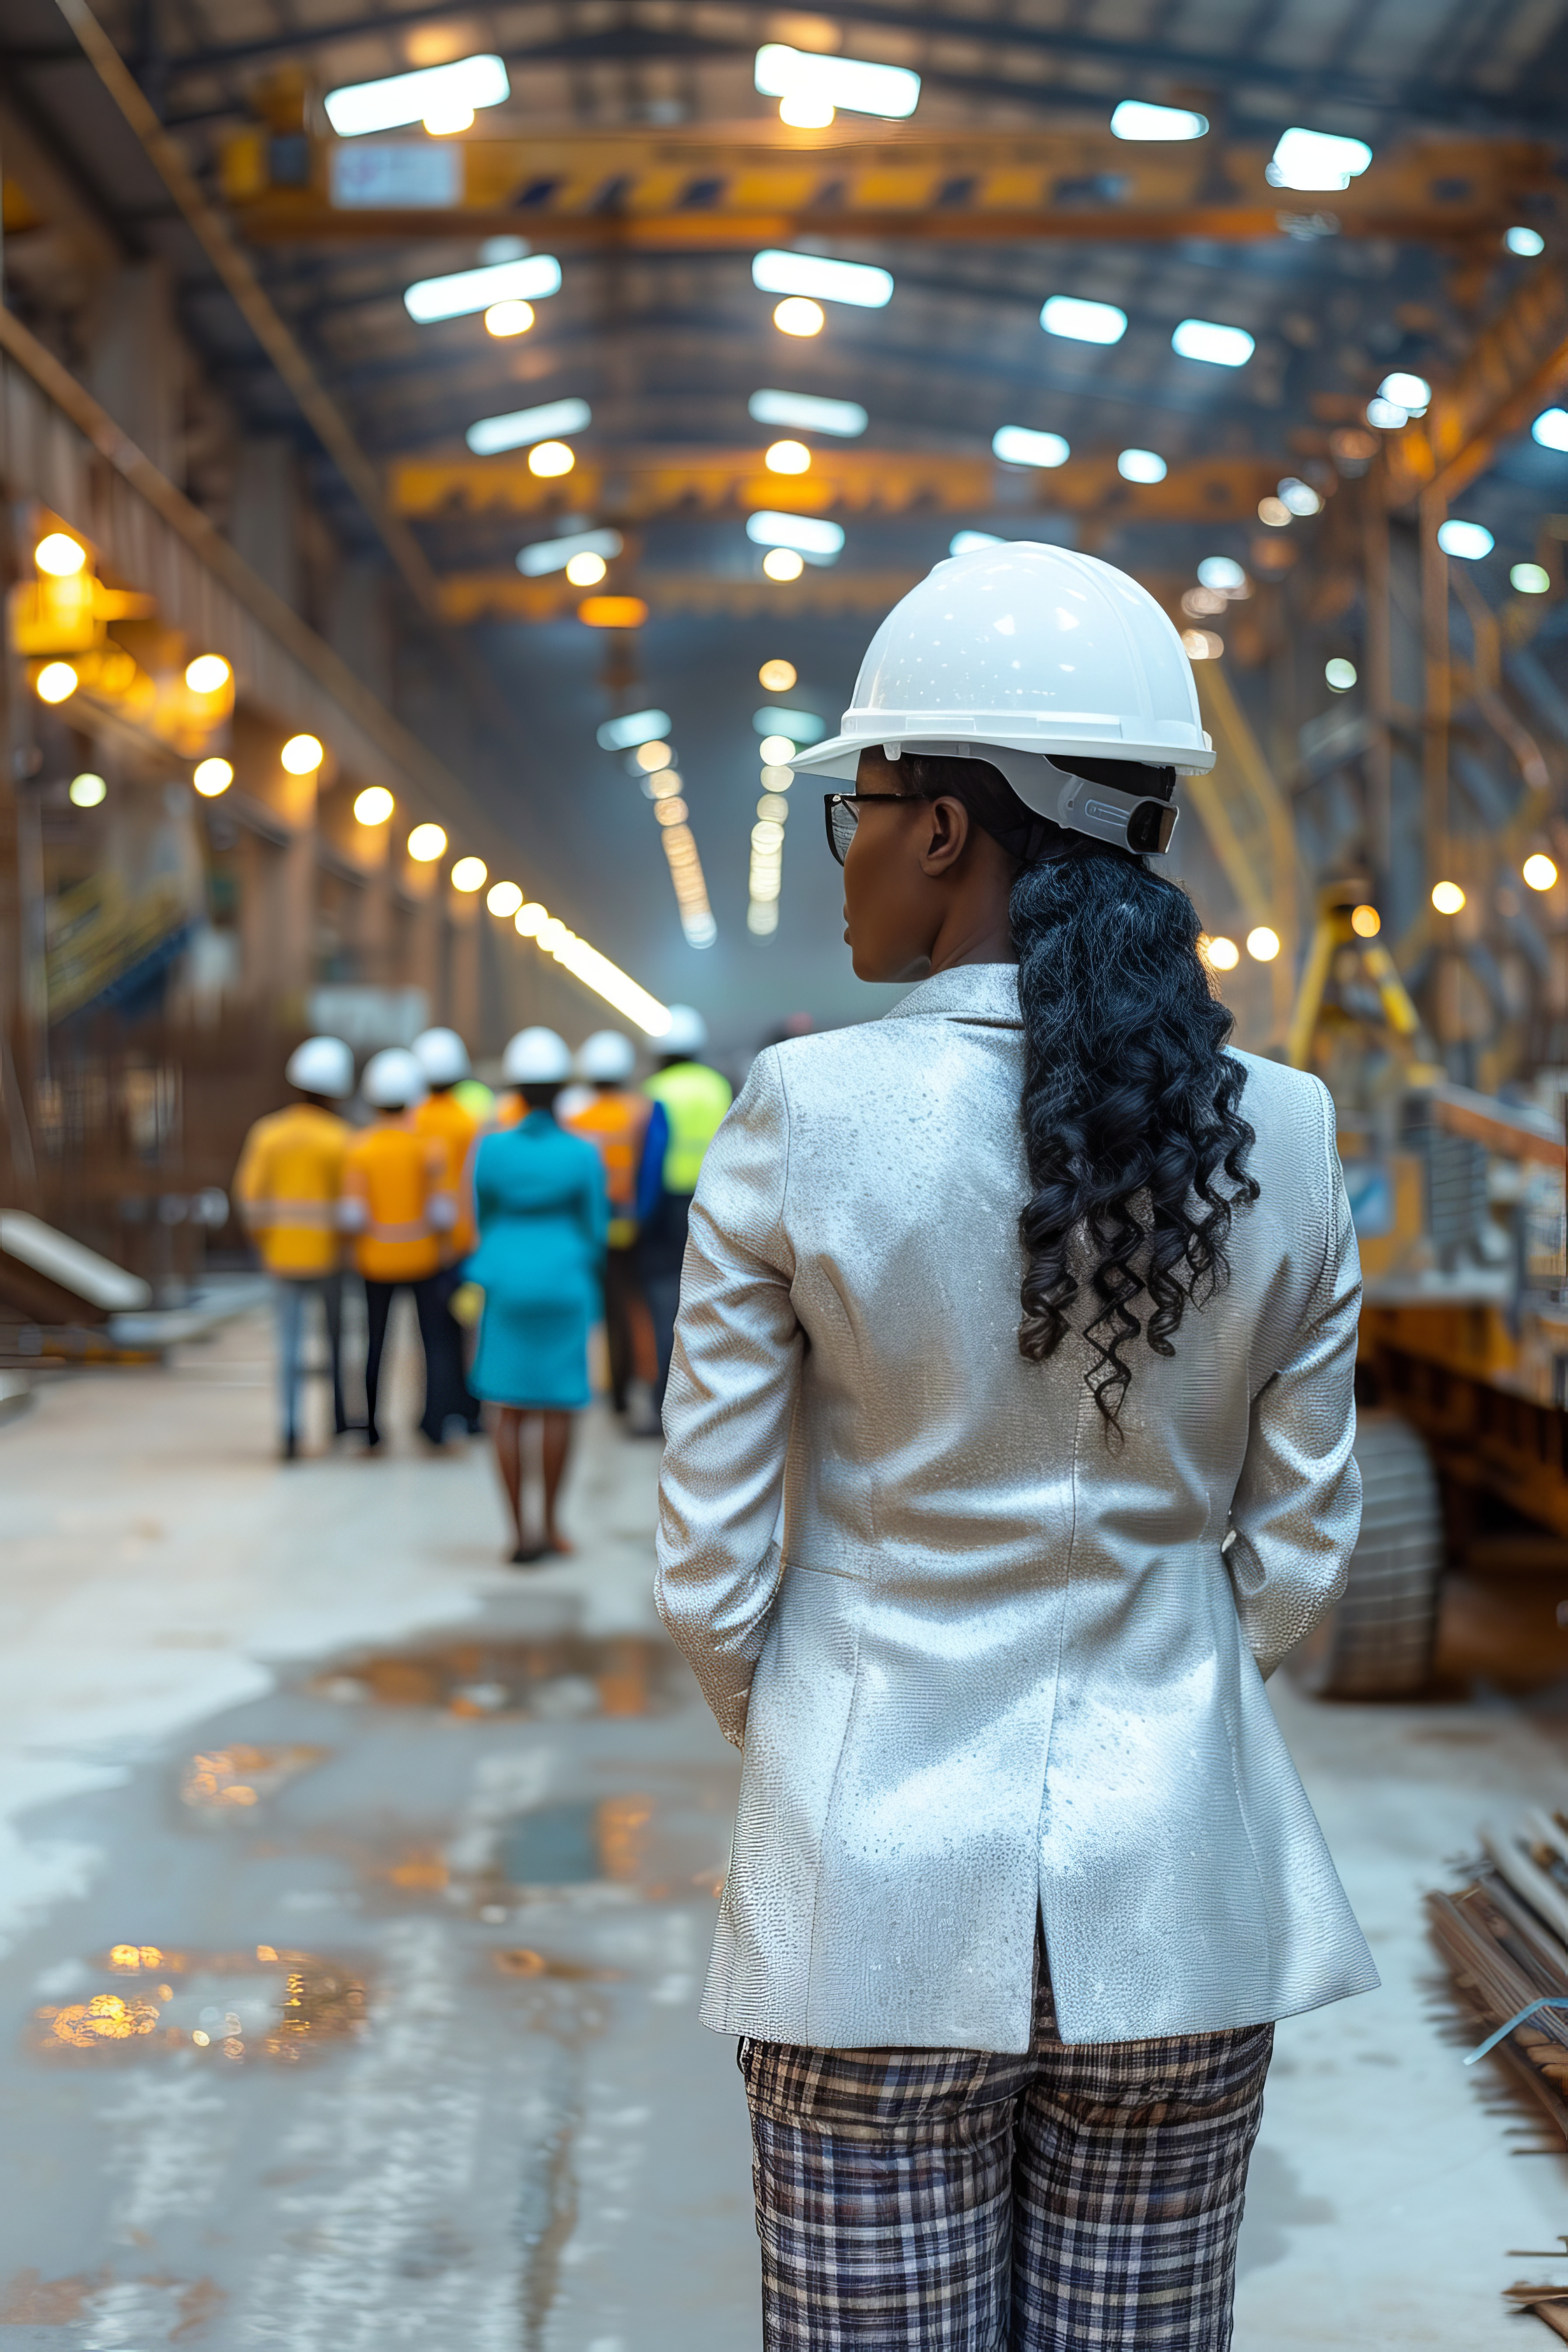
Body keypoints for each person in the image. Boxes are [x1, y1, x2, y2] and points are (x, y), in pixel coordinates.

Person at [654, 542, 1375, 2352]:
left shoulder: (803, 1115)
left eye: (859, 808)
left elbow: (712, 1568)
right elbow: (1294, 1560)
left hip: (863, 1916)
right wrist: (1166, 1683)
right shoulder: (1282, 1132)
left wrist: (822, 1725)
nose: (851, 859)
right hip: (1181, 1908)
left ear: (949, 830)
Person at [464, 1027, 608, 1562]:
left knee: (507, 1409)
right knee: (557, 1408)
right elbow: (595, 1229)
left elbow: (481, 1215)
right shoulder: (581, 1154)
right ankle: (551, 1525)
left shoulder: (492, 1150)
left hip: (505, 1283)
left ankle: (517, 1532)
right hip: (564, 1282)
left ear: (517, 1090)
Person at [233, 1034, 355, 1460]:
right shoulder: (340, 1138)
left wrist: (265, 1244)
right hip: (330, 1259)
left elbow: (250, 1196)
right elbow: (352, 1205)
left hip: (282, 1257)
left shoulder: (269, 1134)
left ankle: (289, 1428)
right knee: (336, 1342)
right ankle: (339, 1421)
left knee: (288, 1347)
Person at [340, 1046, 455, 1452]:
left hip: (375, 1261)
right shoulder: (428, 1147)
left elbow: (352, 1216)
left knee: (376, 1345)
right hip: (424, 1259)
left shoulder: (360, 1147)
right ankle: (435, 1427)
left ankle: (372, 1430)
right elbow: (443, 1212)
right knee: (433, 1344)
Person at [561, 1029, 667, 1419]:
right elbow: (652, 1167)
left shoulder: (575, 1116)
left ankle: (610, 1389)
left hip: (588, 1224)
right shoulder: (641, 1110)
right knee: (635, 1304)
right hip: (630, 1222)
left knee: (601, 1307)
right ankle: (640, 1382)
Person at [640, 1006, 730, 1419]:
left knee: (665, 1306)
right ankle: (710, 1402)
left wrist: (640, 1217)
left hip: (667, 1208)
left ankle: (668, 1403)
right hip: (714, 1202)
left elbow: (651, 1157)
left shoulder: (655, 1090)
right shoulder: (718, 1086)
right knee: (714, 1305)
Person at [412, 1025, 483, 1439]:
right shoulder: (469, 1121)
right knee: (466, 1331)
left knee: (432, 1336)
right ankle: (469, 1413)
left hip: (426, 1247)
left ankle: (434, 1419)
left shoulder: (414, 1120)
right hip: (465, 1245)